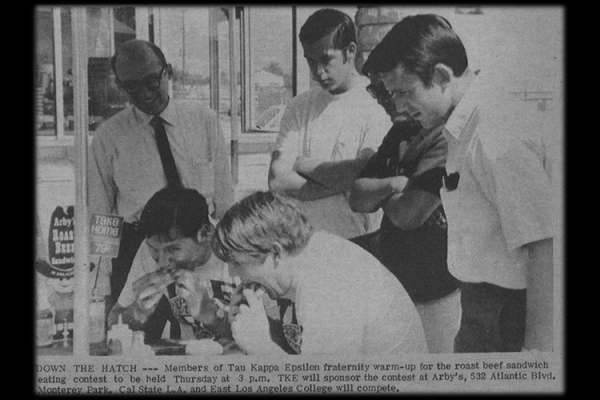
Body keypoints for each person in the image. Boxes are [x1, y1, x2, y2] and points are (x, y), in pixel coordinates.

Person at [365, 14, 554, 352]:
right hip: (483, 309)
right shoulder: (464, 127)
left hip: (508, 316)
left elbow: (542, 243)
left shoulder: (494, 131)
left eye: (405, 92)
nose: (398, 107)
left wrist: (538, 351)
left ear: (440, 76)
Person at [88, 39, 235, 305]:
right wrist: (103, 291)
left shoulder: (204, 121)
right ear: (119, 85)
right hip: (139, 249)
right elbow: (101, 221)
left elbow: (224, 204)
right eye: (132, 86)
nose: (144, 93)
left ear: (167, 71)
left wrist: (232, 261)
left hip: (198, 247)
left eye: (151, 81)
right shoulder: (107, 138)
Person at [212, 191, 428, 355]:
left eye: (238, 263)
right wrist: (265, 329)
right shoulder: (312, 254)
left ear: (276, 252)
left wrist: (261, 345)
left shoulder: (325, 283)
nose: (233, 274)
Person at [349, 68, 461, 353]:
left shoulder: (444, 135)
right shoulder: (399, 132)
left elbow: (408, 215)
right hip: (396, 289)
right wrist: (397, 184)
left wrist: (382, 193)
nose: (386, 100)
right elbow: (357, 197)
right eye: (377, 92)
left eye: (394, 92)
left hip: (439, 294)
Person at [268, 8, 391, 242]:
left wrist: (304, 165)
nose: (317, 71)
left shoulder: (375, 104)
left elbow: (366, 174)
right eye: (310, 61)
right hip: (299, 242)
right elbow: (277, 181)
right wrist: (346, 180)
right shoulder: (298, 105)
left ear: (350, 51)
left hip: (357, 243)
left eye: (325, 60)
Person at [107, 187, 234, 343]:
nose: (162, 263)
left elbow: (270, 334)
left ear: (204, 233)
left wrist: (210, 314)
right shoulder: (149, 249)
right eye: (155, 250)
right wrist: (137, 311)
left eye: (173, 249)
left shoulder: (236, 247)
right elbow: (113, 319)